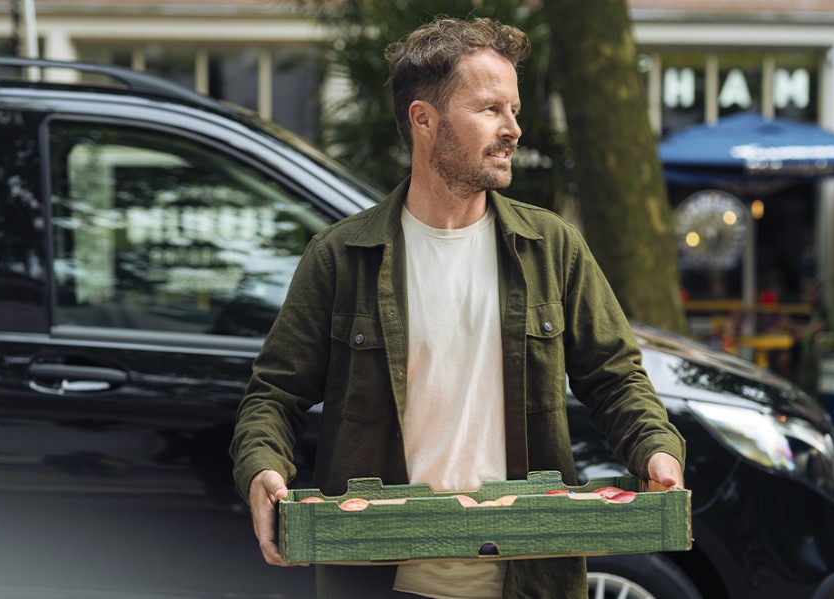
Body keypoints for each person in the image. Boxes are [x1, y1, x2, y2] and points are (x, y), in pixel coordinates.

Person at [230, 16, 686, 599]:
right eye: (491, 109)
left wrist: (656, 451)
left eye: (514, 110)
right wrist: (263, 468)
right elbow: (274, 394)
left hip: (528, 577)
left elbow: (617, 377)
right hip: (380, 578)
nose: (514, 129)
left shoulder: (553, 248)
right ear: (424, 120)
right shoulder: (342, 257)